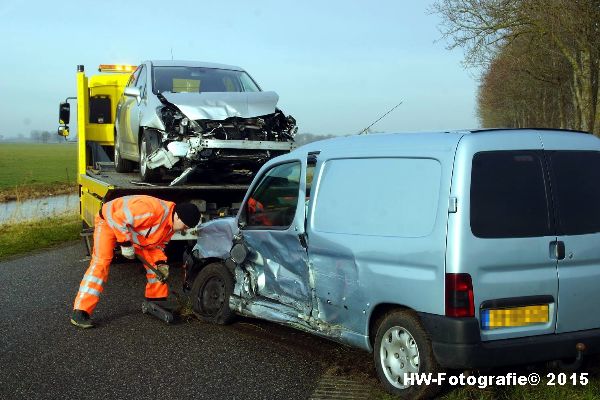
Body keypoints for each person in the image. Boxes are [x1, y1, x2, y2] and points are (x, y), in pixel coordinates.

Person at [70, 195, 200, 329]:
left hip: (131, 231)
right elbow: (118, 218)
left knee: (158, 268)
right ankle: (81, 311)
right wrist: (125, 244)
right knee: (101, 263)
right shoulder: (152, 209)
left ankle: (156, 301)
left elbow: (157, 247)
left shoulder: (170, 226)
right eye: (185, 226)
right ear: (178, 216)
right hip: (109, 222)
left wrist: (160, 263)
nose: (184, 230)